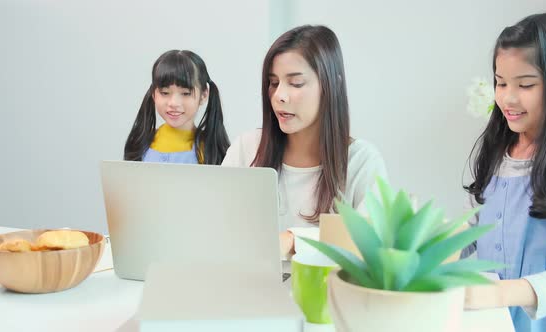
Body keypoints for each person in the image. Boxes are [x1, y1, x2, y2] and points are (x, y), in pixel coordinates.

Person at [462, 11, 546, 331]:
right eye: (500, 82)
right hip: (496, 322)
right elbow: (470, 228)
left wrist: (499, 293)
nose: (508, 97)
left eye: (526, 84)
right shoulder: (497, 154)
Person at [222, 25, 388, 257]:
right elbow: (217, 228)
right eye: (273, 83)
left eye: (296, 83)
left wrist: (293, 240)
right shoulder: (246, 148)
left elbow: (369, 244)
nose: (279, 95)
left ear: (332, 84)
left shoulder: (361, 161)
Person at [124, 50, 229, 164]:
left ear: (203, 95)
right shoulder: (140, 143)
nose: (173, 103)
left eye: (185, 93)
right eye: (165, 93)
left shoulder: (210, 150)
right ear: (154, 94)